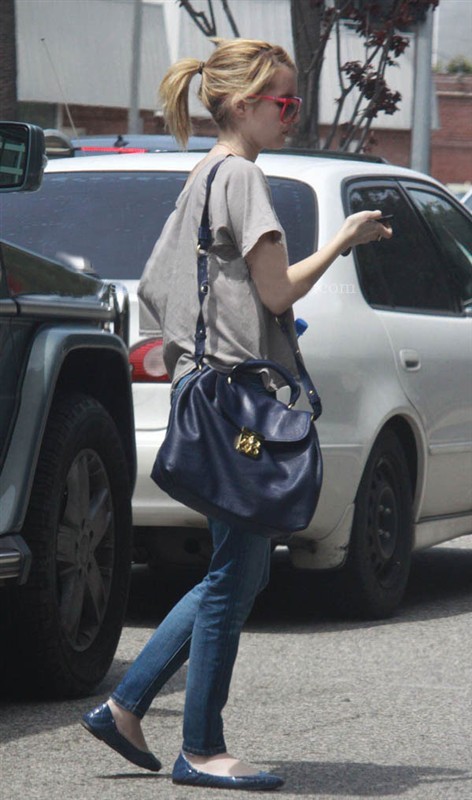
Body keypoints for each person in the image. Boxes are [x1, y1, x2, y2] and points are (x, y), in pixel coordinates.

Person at [81, 38, 392, 791]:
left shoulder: (203, 174)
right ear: (246, 103)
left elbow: (157, 288)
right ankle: (201, 747)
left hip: (209, 394)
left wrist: (215, 337)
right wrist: (342, 240)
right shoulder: (245, 177)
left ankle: (124, 706)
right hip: (239, 405)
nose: (292, 113)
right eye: (284, 101)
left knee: (238, 571)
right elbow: (278, 290)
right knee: (235, 578)